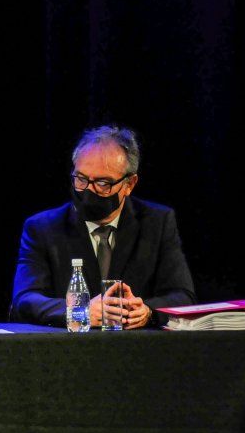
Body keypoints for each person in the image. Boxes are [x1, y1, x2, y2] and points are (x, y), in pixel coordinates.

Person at [11, 125, 196, 328]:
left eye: (103, 183)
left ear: (129, 184)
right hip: (67, 345)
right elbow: (25, 299)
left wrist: (147, 311)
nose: (88, 191)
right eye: (81, 179)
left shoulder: (157, 223)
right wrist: (78, 311)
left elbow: (183, 295)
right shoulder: (42, 228)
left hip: (137, 345)